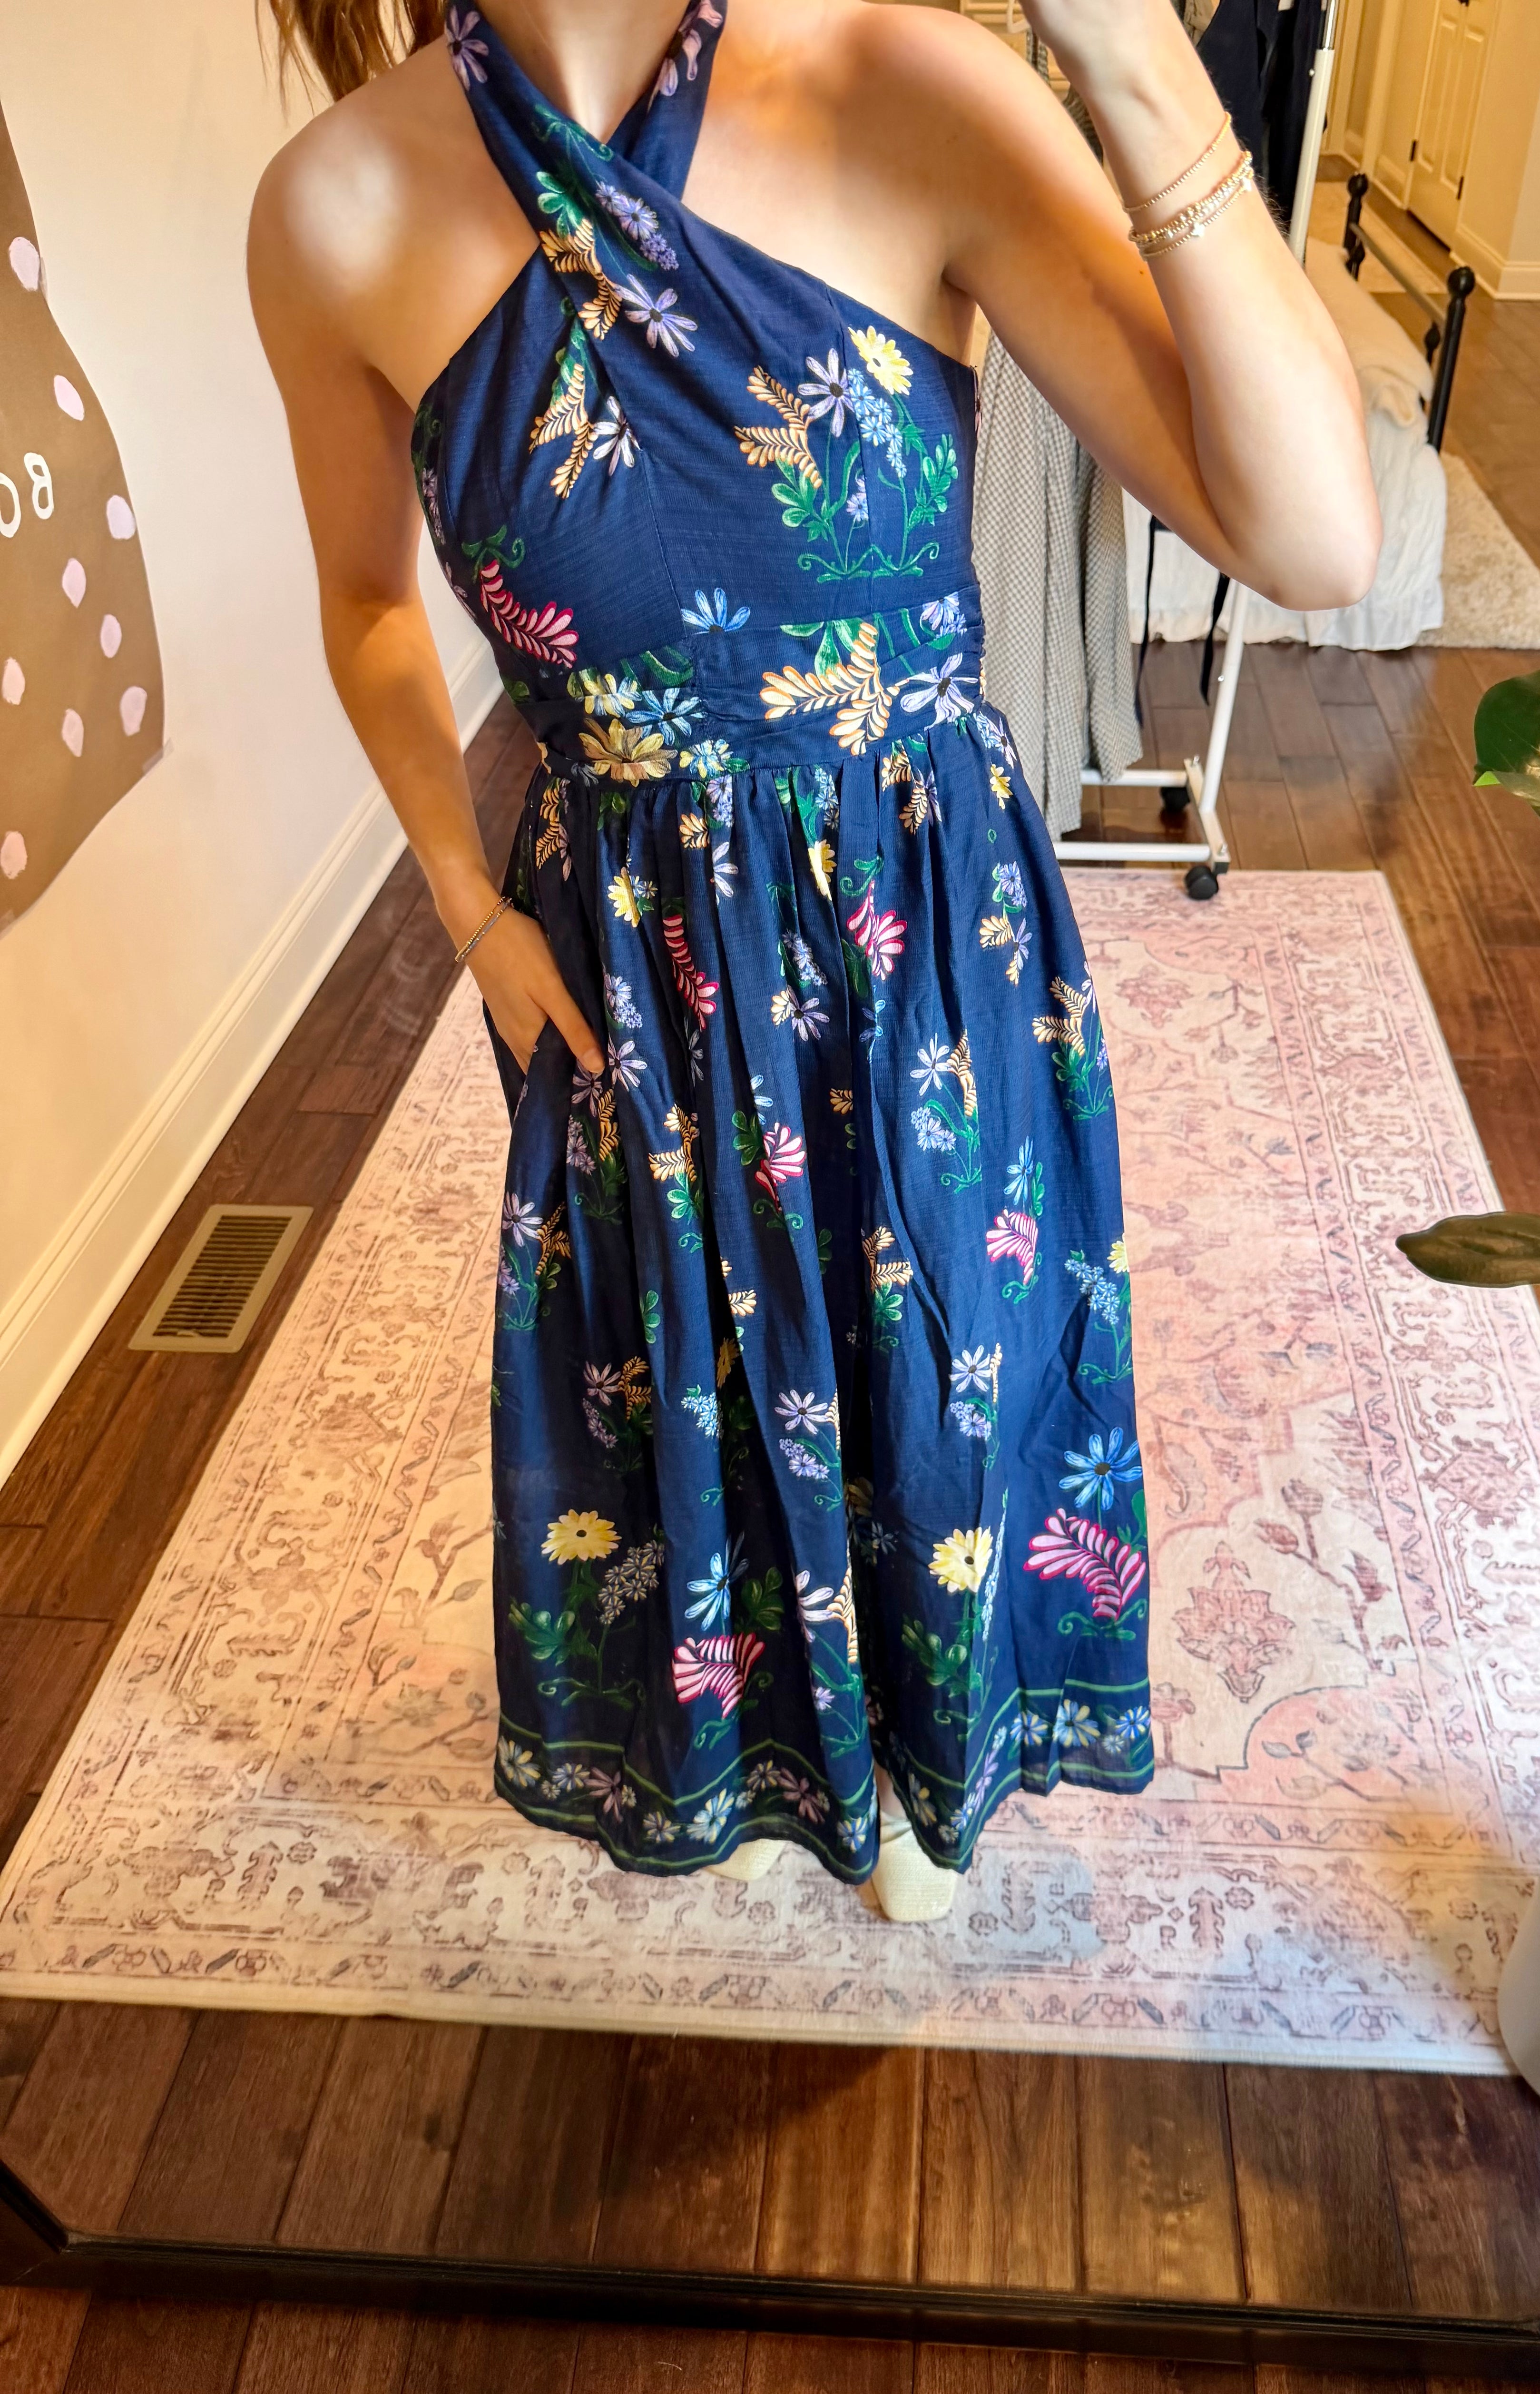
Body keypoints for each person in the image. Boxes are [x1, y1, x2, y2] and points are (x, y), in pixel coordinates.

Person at [248, 0, 1377, 1920]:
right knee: (706, 1407)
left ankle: (930, 1765)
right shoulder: (337, 204)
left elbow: (1316, 536)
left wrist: (1123, 51)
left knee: (945, 1392)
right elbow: (364, 596)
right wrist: (458, 893)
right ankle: (798, 1755)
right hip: (635, 978)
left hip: (914, 947)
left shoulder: (908, 90)